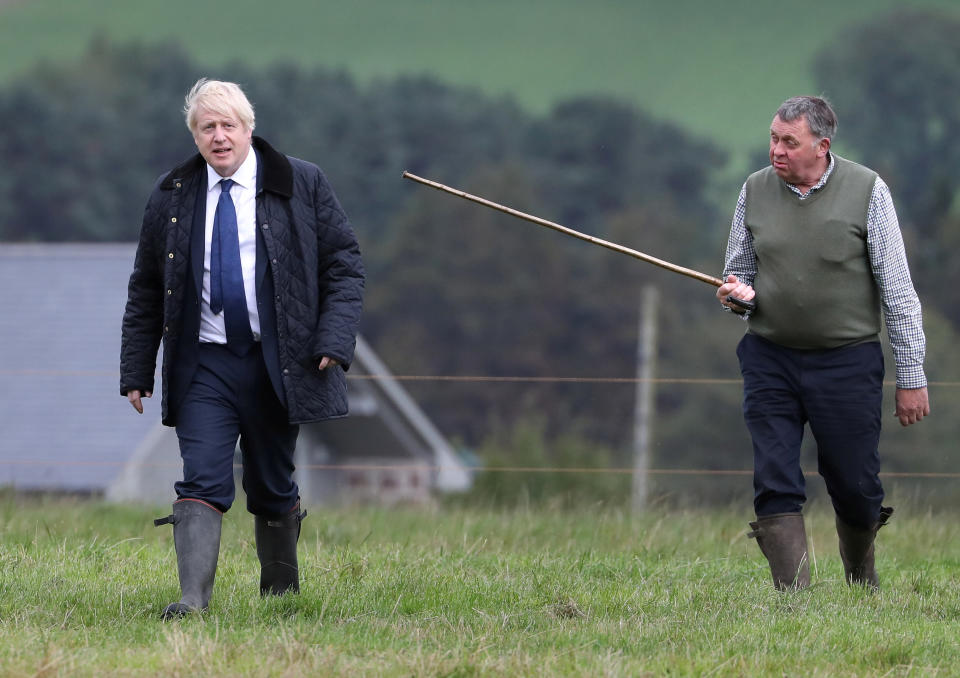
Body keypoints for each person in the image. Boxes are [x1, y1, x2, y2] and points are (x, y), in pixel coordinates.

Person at [121, 79, 364, 618]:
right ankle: (191, 602)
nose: (219, 136)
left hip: (277, 361)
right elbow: (144, 286)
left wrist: (332, 338)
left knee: (271, 482)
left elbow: (344, 266)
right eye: (207, 127)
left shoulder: (301, 183)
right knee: (202, 476)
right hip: (203, 362)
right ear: (196, 136)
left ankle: (279, 599)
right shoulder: (171, 194)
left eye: (228, 125)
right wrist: (137, 367)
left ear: (248, 130)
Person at [717, 96, 929, 591]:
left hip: (847, 362)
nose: (777, 150)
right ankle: (794, 600)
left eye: (790, 142)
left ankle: (861, 578)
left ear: (822, 146)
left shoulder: (868, 191)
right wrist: (736, 297)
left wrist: (911, 377)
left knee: (856, 486)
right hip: (770, 357)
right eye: (773, 138)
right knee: (774, 478)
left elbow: (898, 292)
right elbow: (738, 275)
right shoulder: (754, 190)